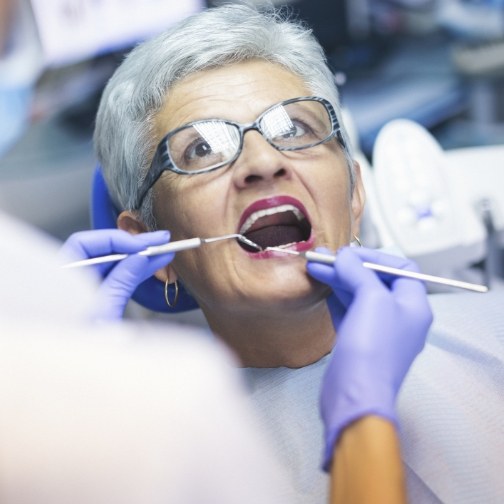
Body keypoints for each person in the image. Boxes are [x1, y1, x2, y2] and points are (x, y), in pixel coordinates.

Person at [61, 4, 504, 503]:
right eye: (202, 148)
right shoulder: (155, 471)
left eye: (294, 129)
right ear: (151, 242)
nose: (263, 162)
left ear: (354, 193)